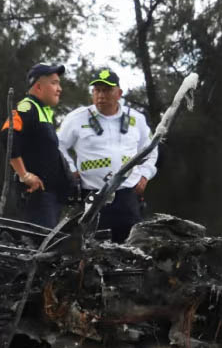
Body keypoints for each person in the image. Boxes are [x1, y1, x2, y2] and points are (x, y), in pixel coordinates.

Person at [57, 68, 156, 242]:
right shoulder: (77, 118)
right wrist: (71, 170)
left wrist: (144, 174)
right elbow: (58, 146)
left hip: (127, 195)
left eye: (107, 90)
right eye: (97, 90)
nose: (101, 95)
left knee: (131, 246)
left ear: (119, 93)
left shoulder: (136, 119)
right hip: (92, 196)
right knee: (91, 246)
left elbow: (150, 149)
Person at [1, 63, 70, 228]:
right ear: (38, 87)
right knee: (39, 245)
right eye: (54, 83)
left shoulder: (43, 110)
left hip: (50, 195)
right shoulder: (27, 107)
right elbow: (7, 135)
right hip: (36, 195)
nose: (59, 88)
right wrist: (24, 175)